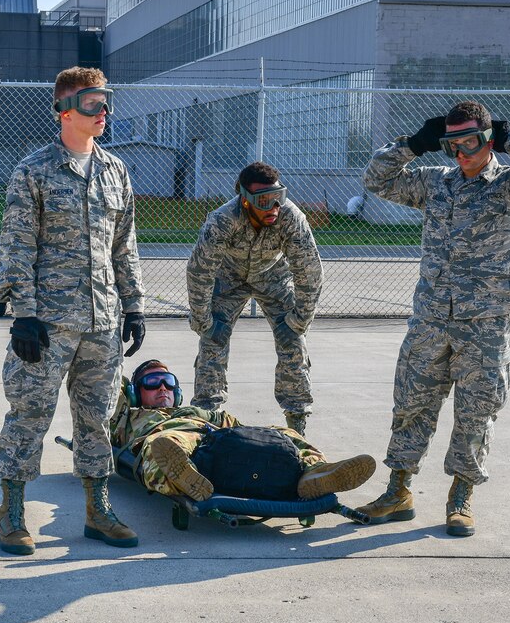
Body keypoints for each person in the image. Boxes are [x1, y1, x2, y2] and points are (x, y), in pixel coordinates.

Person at [358, 101, 510, 537]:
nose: (461, 153)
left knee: (475, 412)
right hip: (431, 318)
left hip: (485, 322)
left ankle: (461, 497)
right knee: (412, 403)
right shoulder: (436, 184)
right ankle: (398, 492)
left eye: (470, 141)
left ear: (488, 141)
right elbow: (377, 178)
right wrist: (414, 145)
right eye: (451, 144)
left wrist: (507, 139)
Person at [0, 66, 147, 556]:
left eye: (106, 102)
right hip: (47, 322)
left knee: (97, 417)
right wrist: (24, 314)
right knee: (30, 414)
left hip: (102, 320)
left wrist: (135, 306)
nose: (103, 112)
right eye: (90, 103)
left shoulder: (115, 169)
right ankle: (12, 514)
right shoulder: (33, 170)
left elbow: (125, 246)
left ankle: (98, 510)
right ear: (64, 110)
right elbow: (16, 246)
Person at [112, 359, 375, 502]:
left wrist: (269, 440)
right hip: (168, 438)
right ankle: (182, 479)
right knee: (166, 443)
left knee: (284, 433)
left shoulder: (197, 411)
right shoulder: (130, 418)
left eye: (168, 382)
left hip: (211, 438)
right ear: (136, 393)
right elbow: (111, 388)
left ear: (177, 391)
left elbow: (239, 429)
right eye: (151, 382)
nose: (162, 388)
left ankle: (315, 472)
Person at [187, 161, 323, 436]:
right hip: (229, 279)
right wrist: (202, 319)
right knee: (213, 340)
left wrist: (300, 319)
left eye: (278, 198)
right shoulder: (223, 220)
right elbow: (200, 271)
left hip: (272, 276)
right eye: (264, 201)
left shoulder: (290, 218)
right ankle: (208, 419)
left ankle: (297, 421)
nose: (273, 207)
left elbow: (309, 270)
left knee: (292, 340)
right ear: (245, 199)